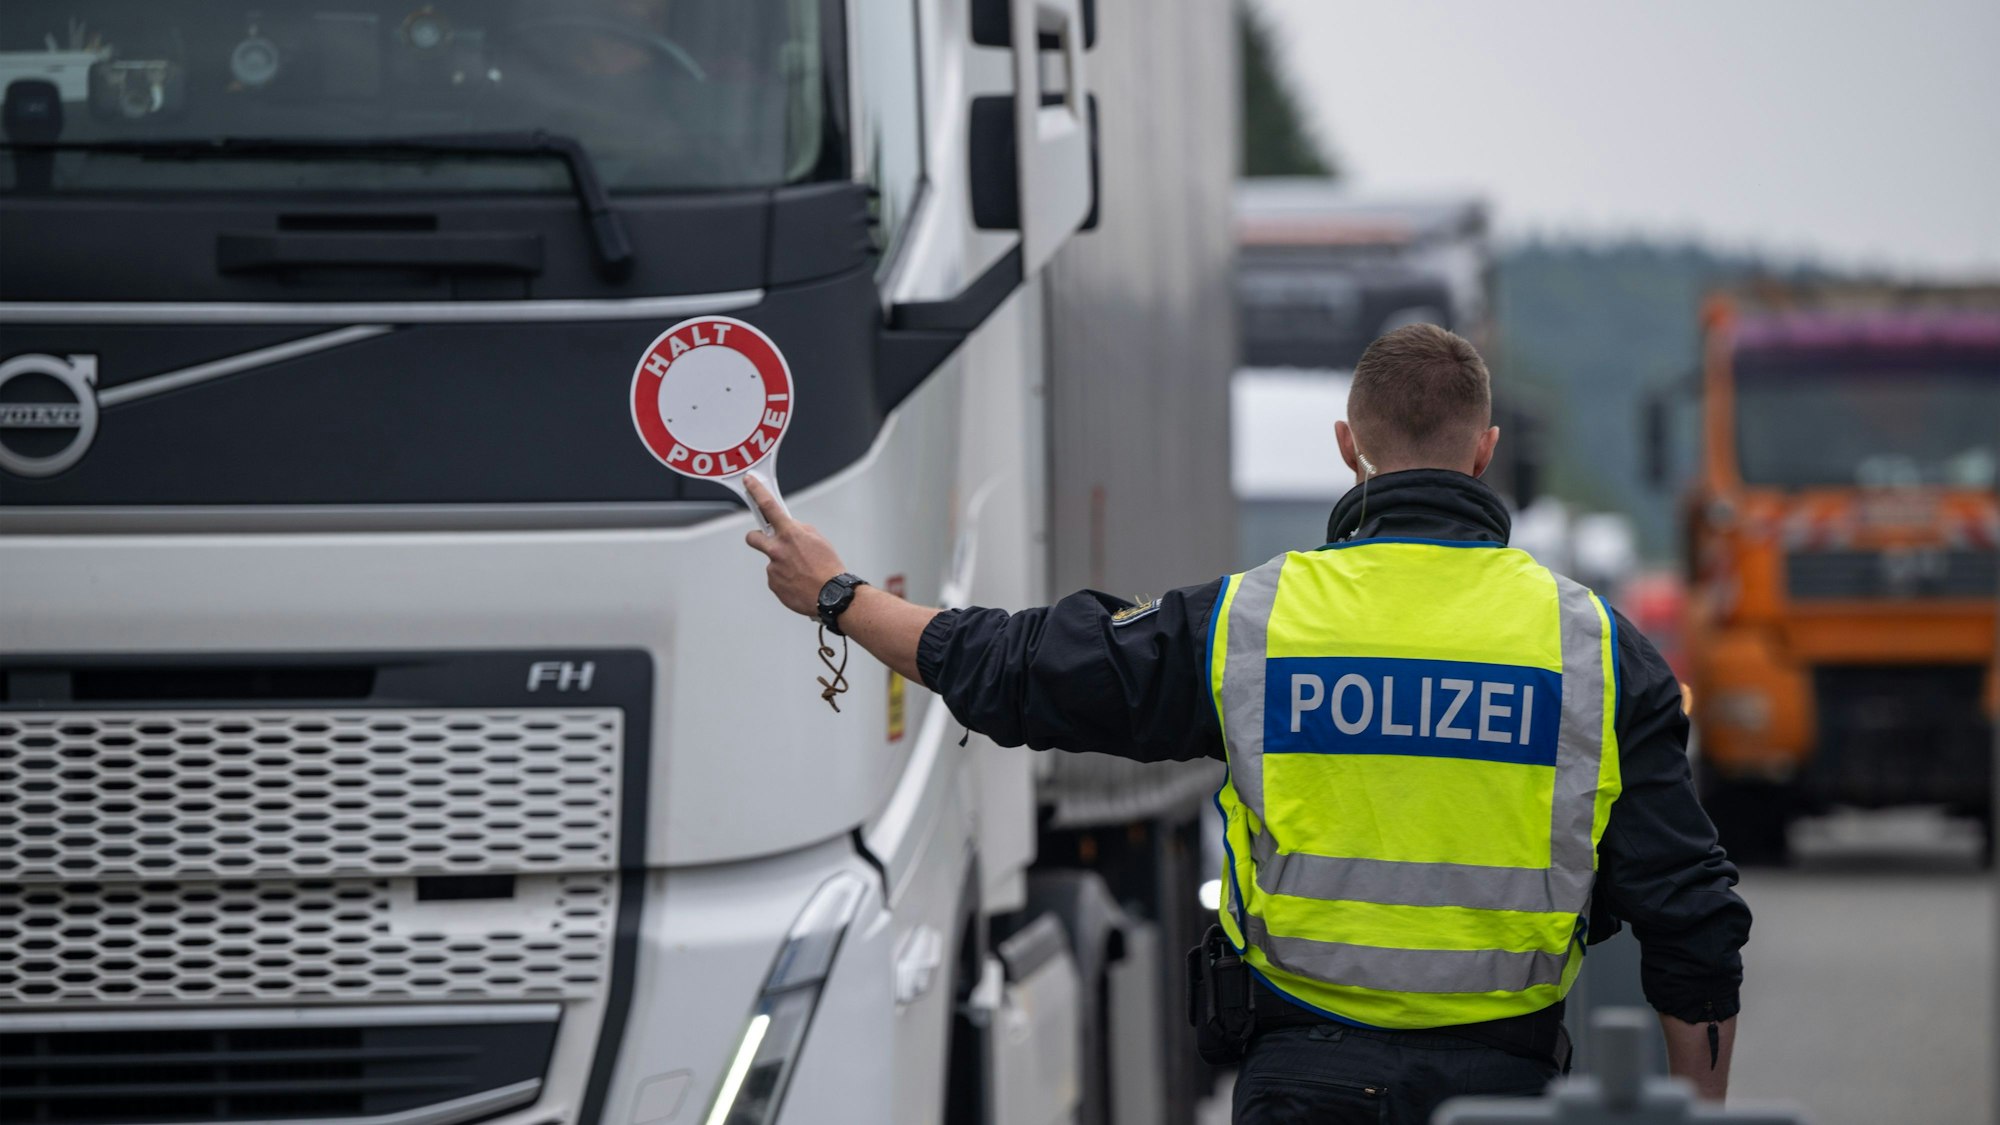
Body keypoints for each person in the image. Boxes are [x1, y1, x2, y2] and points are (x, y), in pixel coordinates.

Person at [743, 323, 1751, 1124]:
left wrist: (836, 594)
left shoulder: (1251, 625)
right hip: (1501, 1084)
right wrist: (1696, 1110)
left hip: (1302, 1081)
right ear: (1484, 453)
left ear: (1347, 447)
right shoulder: (1595, 649)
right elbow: (1688, 916)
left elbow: (1021, 668)